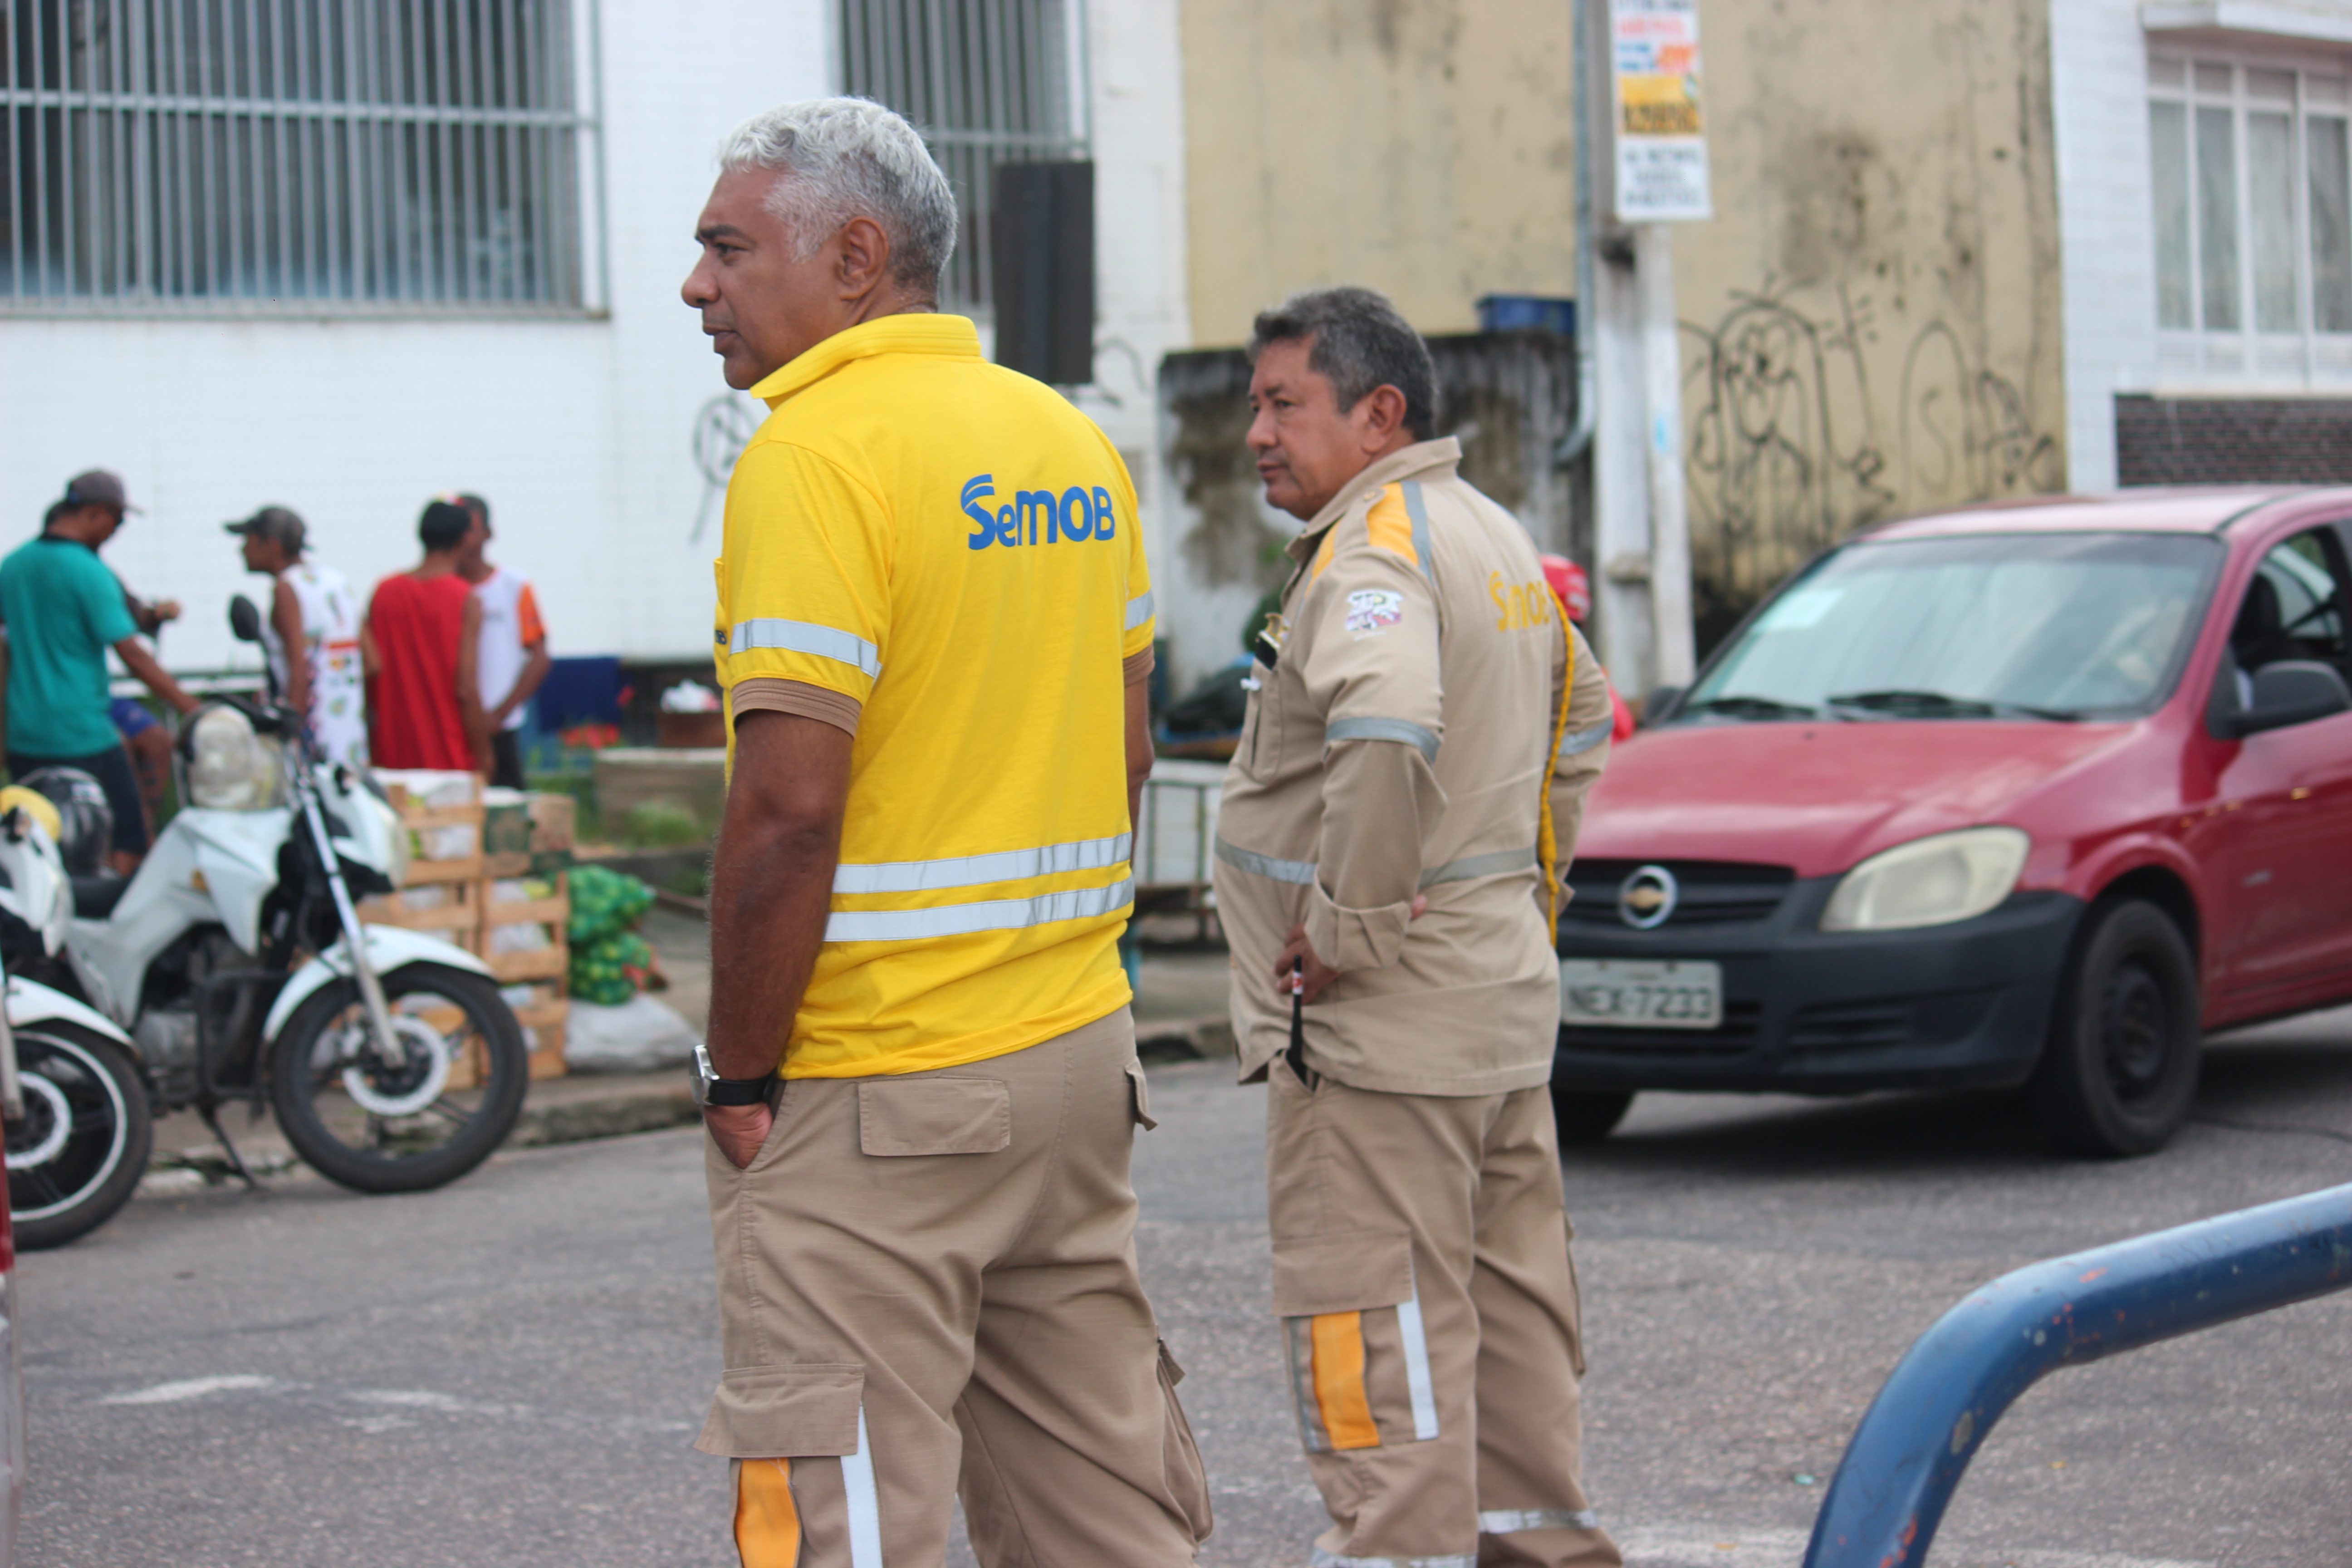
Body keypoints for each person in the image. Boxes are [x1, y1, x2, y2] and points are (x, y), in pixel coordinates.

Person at [685, 98, 1208, 1565]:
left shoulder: (813, 455)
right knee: (1099, 1504)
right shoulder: (1065, 440)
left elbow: (788, 813)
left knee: (842, 1508)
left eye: (729, 248)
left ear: (856, 257)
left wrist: (739, 1069)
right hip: (1074, 1058)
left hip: (880, 1077)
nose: (697, 286)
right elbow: (1127, 750)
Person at [1210, 287, 1621, 1568]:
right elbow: (1585, 717)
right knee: (1512, 1319)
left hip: (1378, 1031)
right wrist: (1523, 900)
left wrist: (1348, 927)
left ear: (1378, 413)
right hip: (1495, 1006)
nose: (1256, 434)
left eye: (1284, 404)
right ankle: (1540, 1548)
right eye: (1256, 405)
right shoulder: (1493, 533)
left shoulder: (1373, 552)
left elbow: (1386, 728)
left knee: (1371, 1332)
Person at [0, 470, 201, 872]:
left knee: (42, 848)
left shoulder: (12, 567)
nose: (117, 531)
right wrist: (193, 709)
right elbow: (132, 654)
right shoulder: (89, 571)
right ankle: (116, 911)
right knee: (127, 840)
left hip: (26, 738)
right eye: (118, 520)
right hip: (83, 735)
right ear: (95, 513)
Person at [228, 505, 368, 768]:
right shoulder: (336, 581)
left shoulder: (286, 588)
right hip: (349, 736)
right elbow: (372, 661)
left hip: (313, 738)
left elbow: (299, 669)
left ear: (272, 544)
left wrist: (291, 734)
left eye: (248, 540)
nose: (242, 550)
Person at [362, 499, 487, 773]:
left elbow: (368, 673)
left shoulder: (383, 593)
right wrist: (485, 756)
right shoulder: (466, 600)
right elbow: (466, 688)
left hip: (390, 753)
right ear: (464, 541)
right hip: (449, 756)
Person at [452, 493, 550, 789]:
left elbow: (540, 657)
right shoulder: (445, 590)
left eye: (470, 529)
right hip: (453, 725)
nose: (464, 538)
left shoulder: (513, 585)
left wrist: (499, 714)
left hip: (499, 727)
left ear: (488, 534)